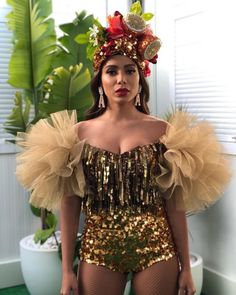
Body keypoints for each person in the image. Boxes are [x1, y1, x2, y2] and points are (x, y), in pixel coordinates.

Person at [15, 4, 231, 295]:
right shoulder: (78, 135)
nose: (121, 80)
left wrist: (185, 267)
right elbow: (69, 203)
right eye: (112, 71)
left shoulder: (163, 132)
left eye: (129, 71)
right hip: (99, 250)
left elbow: (174, 202)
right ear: (100, 80)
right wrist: (67, 270)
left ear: (140, 78)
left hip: (156, 248)